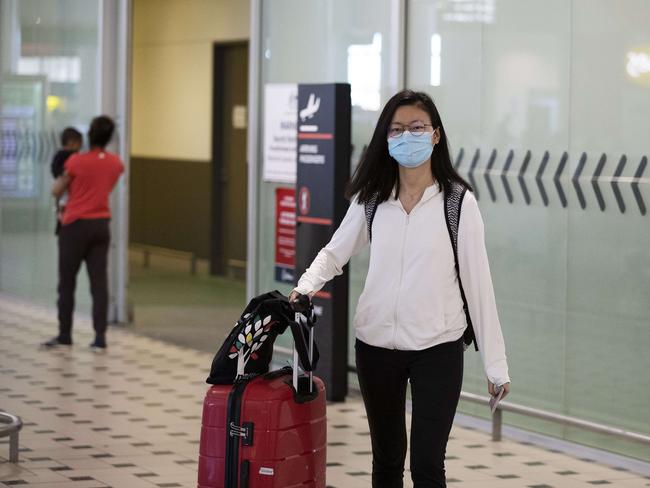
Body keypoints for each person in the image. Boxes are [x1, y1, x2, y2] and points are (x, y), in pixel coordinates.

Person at [290, 90, 511, 488]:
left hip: (438, 349)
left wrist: (496, 365)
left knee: (427, 465)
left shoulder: (457, 203)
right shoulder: (373, 198)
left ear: (435, 135)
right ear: (386, 139)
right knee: (387, 461)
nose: (406, 135)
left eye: (416, 127)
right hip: (376, 348)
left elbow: (479, 286)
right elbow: (334, 253)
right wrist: (304, 287)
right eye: (397, 129)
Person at [42, 116, 124, 351]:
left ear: (89, 136)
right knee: (99, 283)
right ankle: (100, 338)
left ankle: (65, 335)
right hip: (101, 225)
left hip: (75, 225)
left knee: (66, 282)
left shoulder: (76, 161)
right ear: (108, 138)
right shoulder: (116, 163)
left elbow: (56, 189)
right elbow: (105, 185)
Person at [50, 127, 83, 235]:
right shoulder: (62, 155)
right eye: (78, 142)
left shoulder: (77, 156)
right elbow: (55, 169)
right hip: (64, 187)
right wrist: (64, 174)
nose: (80, 145)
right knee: (63, 204)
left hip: (72, 189)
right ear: (70, 142)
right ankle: (60, 225)